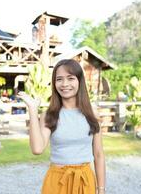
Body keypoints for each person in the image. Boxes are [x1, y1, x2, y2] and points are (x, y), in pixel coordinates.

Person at [18, 59, 106, 194]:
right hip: (56, 182)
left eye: (70, 78)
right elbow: (37, 149)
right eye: (59, 79)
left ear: (79, 81)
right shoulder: (50, 114)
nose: (65, 84)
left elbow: (99, 154)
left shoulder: (92, 113)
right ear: (54, 83)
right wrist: (33, 110)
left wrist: (101, 189)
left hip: (85, 181)